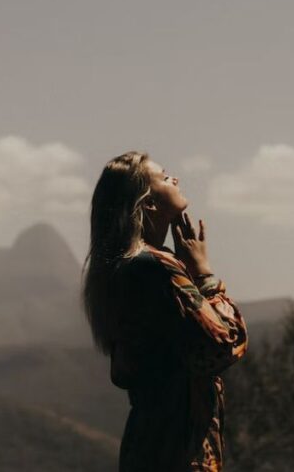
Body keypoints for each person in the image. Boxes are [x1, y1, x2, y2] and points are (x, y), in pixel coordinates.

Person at [81, 150, 249, 471]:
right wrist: (203, 274)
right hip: (177, 452)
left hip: (148, 446)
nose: (175, 178)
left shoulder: (125, 270)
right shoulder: (155, 268)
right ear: (150, 203)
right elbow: (226, 343)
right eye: (164, 176)